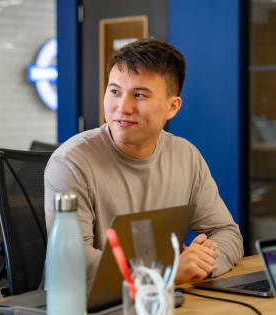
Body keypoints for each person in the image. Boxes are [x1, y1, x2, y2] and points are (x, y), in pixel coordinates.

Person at [44, 39, 243, 286]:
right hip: (83, 313)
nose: (122, 107)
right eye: (115, 91)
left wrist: (201, 263)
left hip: (162, 306)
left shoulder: (185, 156)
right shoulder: (70, 163)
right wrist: (165, 272)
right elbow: (73, 263)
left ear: (172, 107)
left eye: (139, 95)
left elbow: (227, 233)